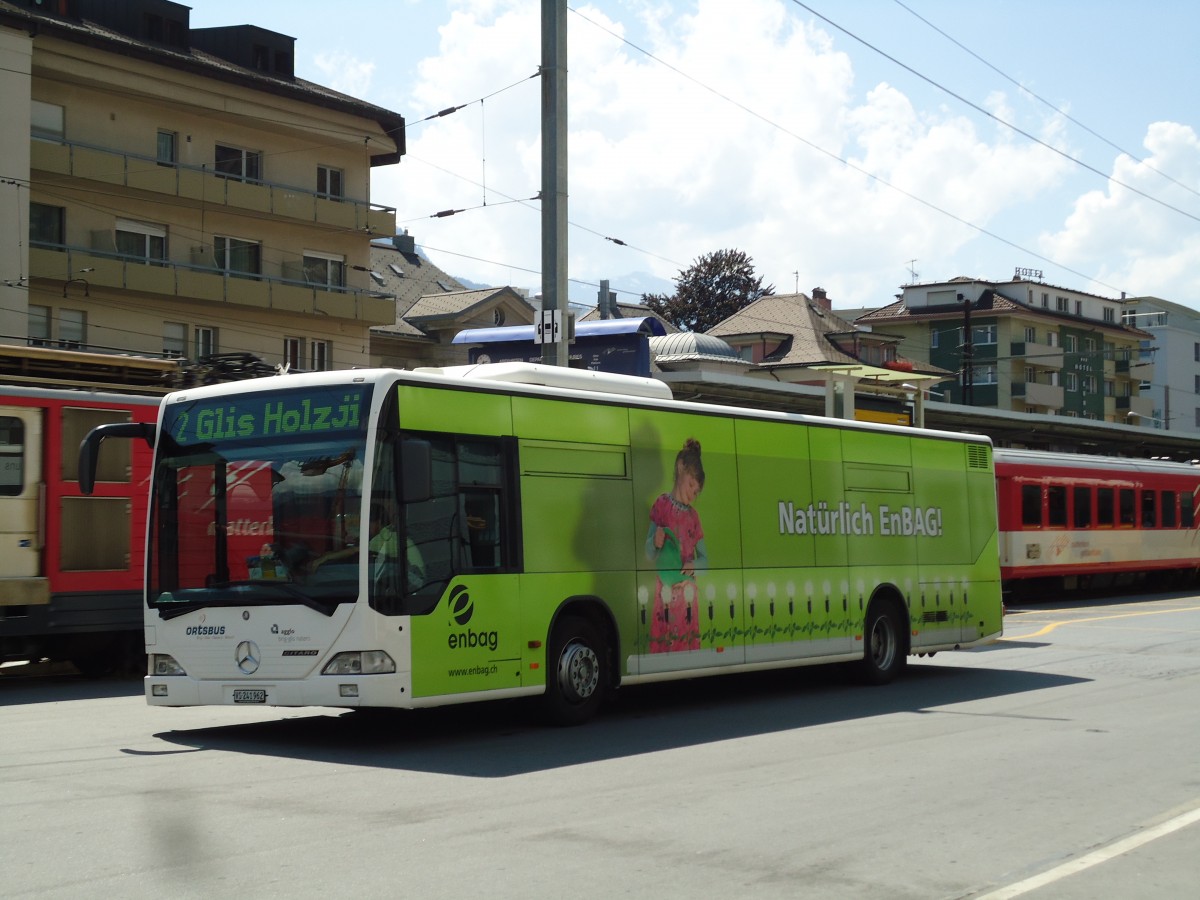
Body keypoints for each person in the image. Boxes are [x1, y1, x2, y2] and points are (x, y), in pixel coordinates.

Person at [645, 438, 707, 652]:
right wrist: (655, 540)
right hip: (664, 596)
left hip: (687, 598)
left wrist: (694, 566)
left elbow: (705, 561)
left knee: (686, 649)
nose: (692, 493)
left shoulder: (694, 517)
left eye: (696, 491)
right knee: (663, 648)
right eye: (691, 485)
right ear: (681, 469)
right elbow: (648, 552)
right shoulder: (661, 505)